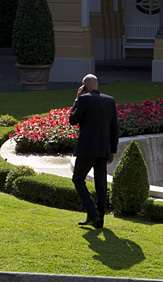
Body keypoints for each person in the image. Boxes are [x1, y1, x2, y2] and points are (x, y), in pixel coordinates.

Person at [69, 74, 119, 229]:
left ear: (84, 87)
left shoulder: (84, 100)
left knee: (78, 179)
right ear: (97, 85)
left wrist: (77, 99)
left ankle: (93, 213)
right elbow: (114, 129)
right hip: (103, 149)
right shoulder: (110, 101)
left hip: (86, 149)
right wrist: (112, 151)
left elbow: (72, 120)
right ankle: (99, 220)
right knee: (101, 185)